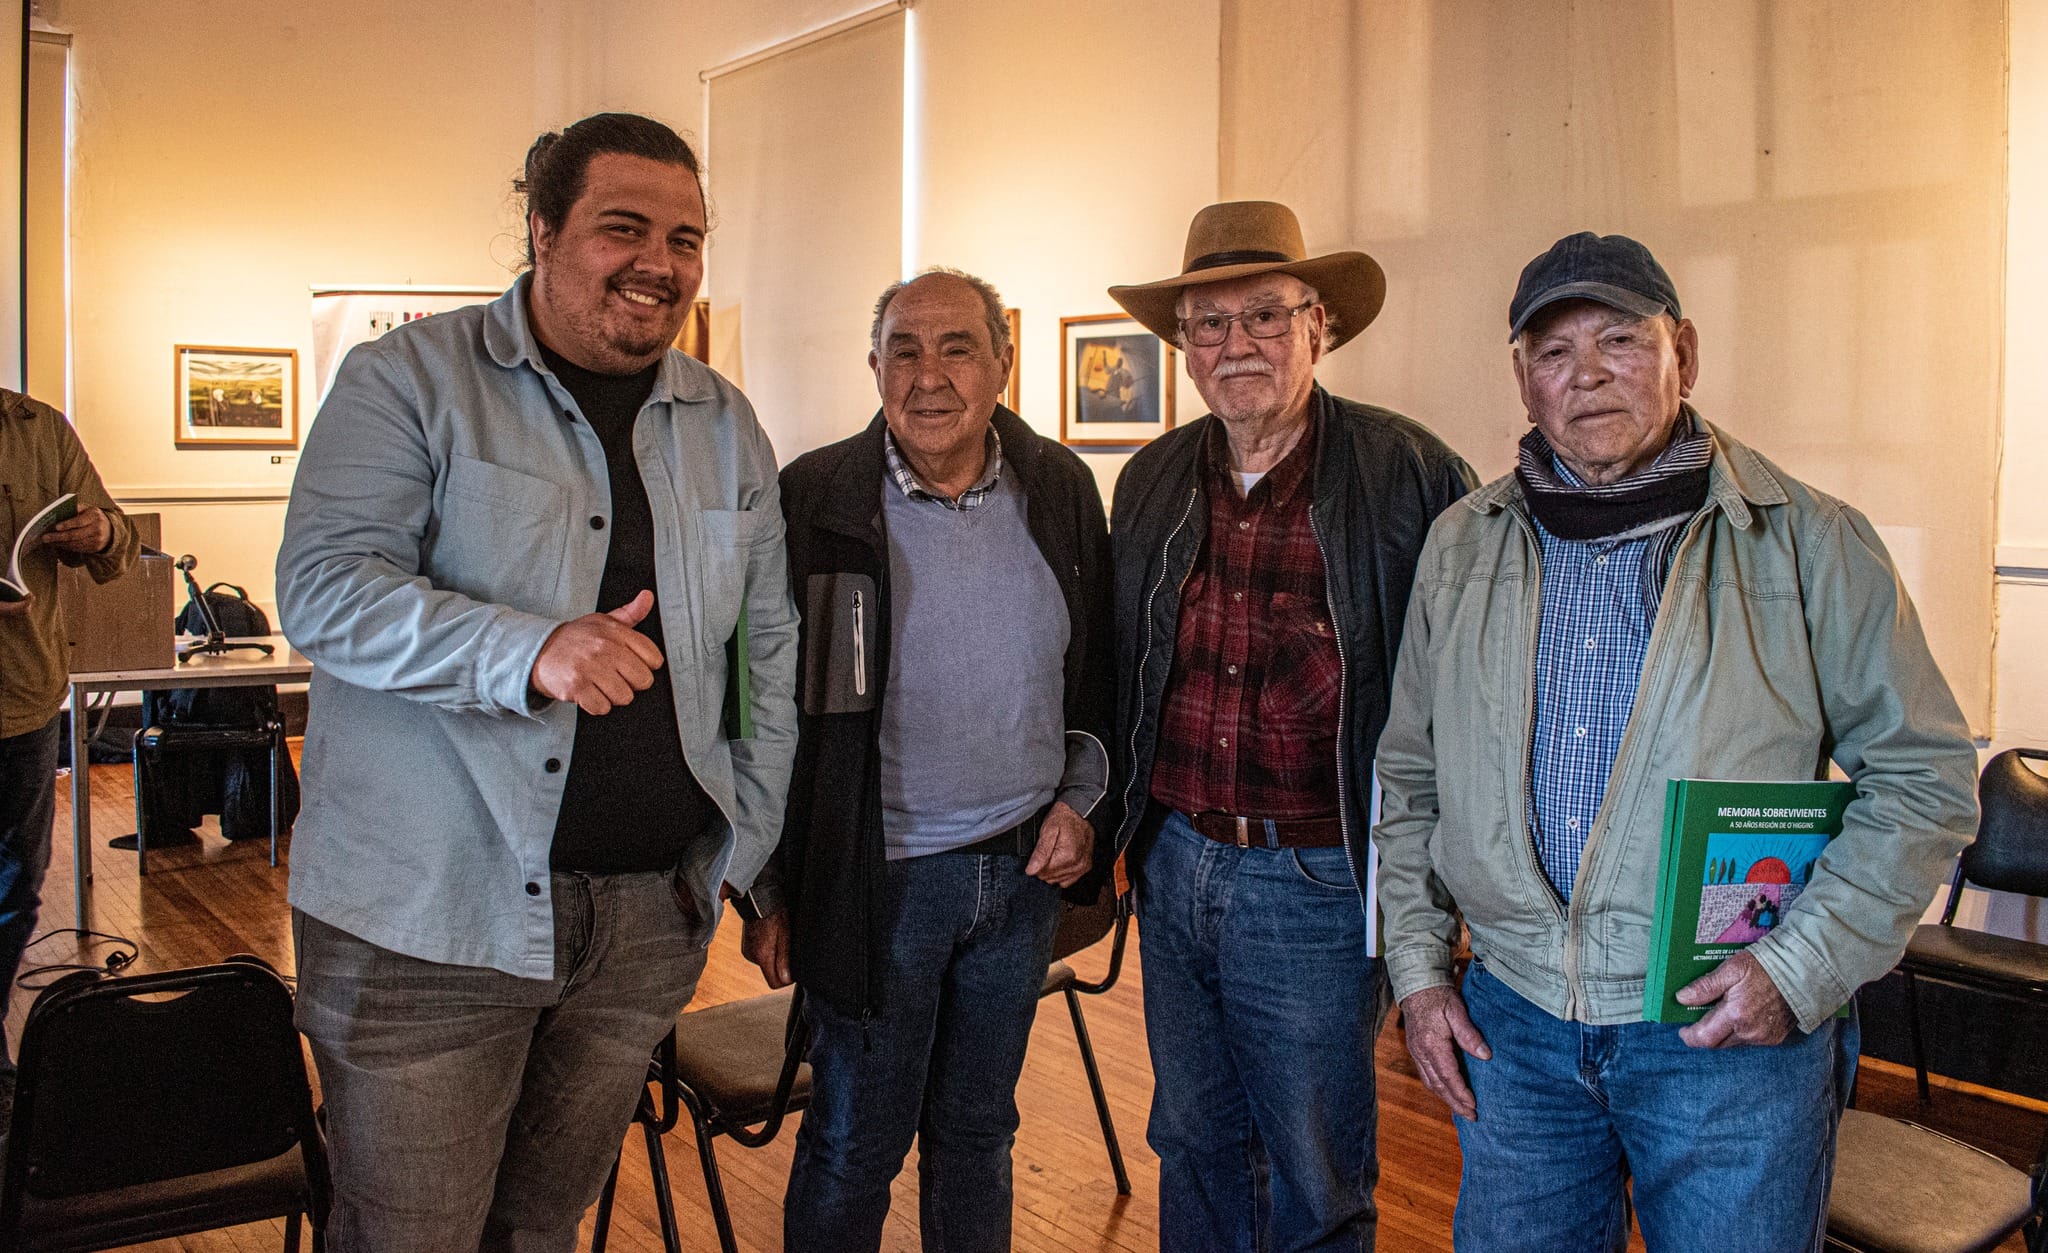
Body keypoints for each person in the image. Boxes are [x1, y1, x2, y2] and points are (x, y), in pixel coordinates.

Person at [1373, 231, 1980, 1251]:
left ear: (1682, 356)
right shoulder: (1460, 543)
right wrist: (1417, 969)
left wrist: (1797, 971)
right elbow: (1411, 773)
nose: (1588, 375)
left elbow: (1922, 779)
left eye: (1619, 340)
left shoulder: (1808, 543)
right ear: (1521, 381)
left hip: (1725, 1032)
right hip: (1512, 1026)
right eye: (1554, 352)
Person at [276, 112, 798, 1253]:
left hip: (644, 922)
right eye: (623, 227)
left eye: (686, 236)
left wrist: (747, 851)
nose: (658, 262)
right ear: (541, 230)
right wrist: (526, 649)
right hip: (428, 924)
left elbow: (763, 651)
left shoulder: (721, 421)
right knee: (411, 1237)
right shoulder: (406, 380)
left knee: (540, 1231)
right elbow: (320, 590)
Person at [1107, 201, 1474, 1251]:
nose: (1237, 346)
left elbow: (1464, 695)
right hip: (1174, 863)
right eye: (1208, 326)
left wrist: (1438, 895)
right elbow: (1119, 669)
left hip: (1321, 877)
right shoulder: (1151, 480)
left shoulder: (1409, 476)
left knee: (1313, 1167)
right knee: (1190, 1139)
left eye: (1263, 317)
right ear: (1182, 350)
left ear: (1320, 325)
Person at [743, 268, 1116, 1253]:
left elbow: (1093, 680)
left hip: (1021, 877)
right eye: (902, 349)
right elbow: (761, 704)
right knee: (855, 1139)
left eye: (957, 347)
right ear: (872, 366)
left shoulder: (1060, 490)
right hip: (875, 883)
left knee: (978, 1132)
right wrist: (768, 884)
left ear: (1003, 361)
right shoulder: (814, 497)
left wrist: (1082, 803)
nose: (928, 375)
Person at [0, 390, 139, 1130]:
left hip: (23, 697)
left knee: (17, 884)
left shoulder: (37, 426)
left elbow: (117, 539)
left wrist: (99, 531)